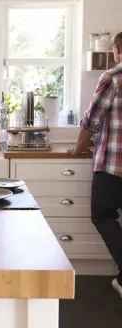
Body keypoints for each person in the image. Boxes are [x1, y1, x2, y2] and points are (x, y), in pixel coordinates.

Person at [69, 31, 122, 297]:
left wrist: (79, 147)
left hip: (114, 165)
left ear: (117, 49)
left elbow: (93, 119)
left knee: (102, 215)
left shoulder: (112, 78)